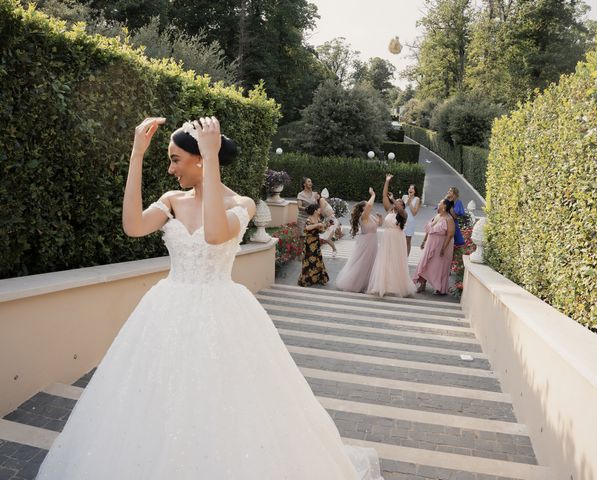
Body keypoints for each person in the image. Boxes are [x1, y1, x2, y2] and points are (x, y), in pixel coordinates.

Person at [36, 117, 381, 480]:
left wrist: (212, 156)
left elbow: (215, 233)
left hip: (221, 314)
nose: (170, 169)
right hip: (166, 309)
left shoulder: (243, 203)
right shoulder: (172, 200)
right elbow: (133, 226)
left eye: (175, 160)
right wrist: (136, 155)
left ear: (200, 159)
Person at [367, 174, 416, 298]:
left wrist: (395, 200)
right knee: (385, 261)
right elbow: (384, 196)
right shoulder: (389, 210)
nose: (396, 203)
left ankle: (396, 285)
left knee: (396, 261)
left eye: (400, 203)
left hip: (397, 239)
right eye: (396, 202)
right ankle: (385, 285)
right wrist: (387, 181)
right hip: (387, 238)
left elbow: (400, 209)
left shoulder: (404, 214)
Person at [335, 187, 382, 292]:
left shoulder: (370, 216)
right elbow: (370, 205)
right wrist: (373, 195)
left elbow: (379, 224)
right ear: (363, 208)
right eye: (366, 205)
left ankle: (367, 283)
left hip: (373, 241)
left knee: (371, 262)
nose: (369, 206)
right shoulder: (363, 216)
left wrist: (380, 218)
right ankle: (355, 283)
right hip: (366, 243)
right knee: (363, 262)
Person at [413, 198, 456, 295]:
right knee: (425, 263)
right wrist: (424, 241)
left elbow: (450, 235)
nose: (438, 203)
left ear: (444, 206)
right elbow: (429, 230)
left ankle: (439, 288)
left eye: (440, 202)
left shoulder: (449, 219)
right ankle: (422, 284)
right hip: (429, 244)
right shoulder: (437, 216)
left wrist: (443, 248)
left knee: (437, 267)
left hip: (441, 246)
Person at [298, 203, 330, 287]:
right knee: (308, 260)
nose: (320, 210)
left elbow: (321, 231)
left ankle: (319, 278)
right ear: (315, 211)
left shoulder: (318, 218)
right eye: (319, 209)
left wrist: (327, 226)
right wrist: (318, 224)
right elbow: (307, 228)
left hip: (316, 242)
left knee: (317, 259)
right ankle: (306, 280)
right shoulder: (309, 219)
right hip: (309, 242)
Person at [402, 184, 421, 255]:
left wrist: (410, 202)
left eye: (412, 188)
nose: (410, 189)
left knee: (407, 240)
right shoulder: (404, 197)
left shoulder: (417, 199)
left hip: (410, 222)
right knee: (400, 239)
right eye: (409, 188)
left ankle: (406, 258)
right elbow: (401, 208)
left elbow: (414, 213)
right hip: (402, 220)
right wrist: (407, 201)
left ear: (415, 191)